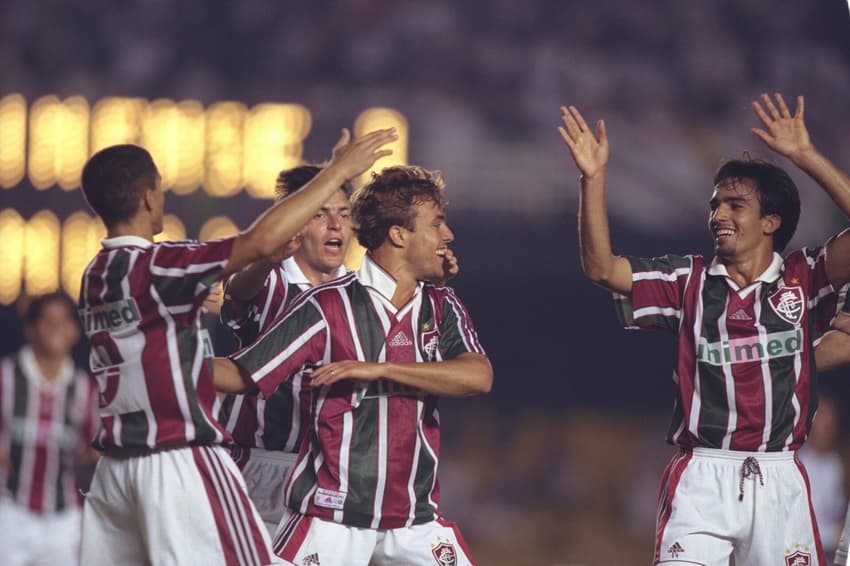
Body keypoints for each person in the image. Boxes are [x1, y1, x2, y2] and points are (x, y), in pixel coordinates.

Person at [76, 128, 396, 566]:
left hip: (115, 465)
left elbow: (151, 330)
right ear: (150, 197)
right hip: (179, 456)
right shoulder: (160, 265)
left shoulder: (97, 274)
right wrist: (339, 170)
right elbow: (258, 245)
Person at [559, 93, 850, 566]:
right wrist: (592, 179)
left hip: (779, 476)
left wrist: (804, 156)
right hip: (702, 475)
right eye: (715, 205)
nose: (718, 215)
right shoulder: (687, 281)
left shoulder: (805, 277)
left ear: (771, 221)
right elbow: (600, 269)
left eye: (735, 205)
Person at [213, 165, 491, 566]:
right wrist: (162, 361)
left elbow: (479, 376)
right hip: (332, 514)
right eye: (437, 224)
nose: (447, 236)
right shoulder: (327, 305)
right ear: (398, 234)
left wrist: (378, 369)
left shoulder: (440, 305)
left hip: (414, 519)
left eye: (343, 214)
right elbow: (243, 373)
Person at [0, 291, 98, 566]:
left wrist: (92, 459)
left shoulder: (84, 389)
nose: (55, 327)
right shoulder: (5, 378)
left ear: (75, 331)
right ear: (30, 329)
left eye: (63, 320)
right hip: (9, 512)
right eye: (46, 320)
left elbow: (94, 452)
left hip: (64, 519)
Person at [797, 395, 846, 558]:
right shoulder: (797, 466)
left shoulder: (836, 463)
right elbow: (801, 528)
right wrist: (837, 536)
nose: (828, 426)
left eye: (831, 420)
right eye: (823, 419)